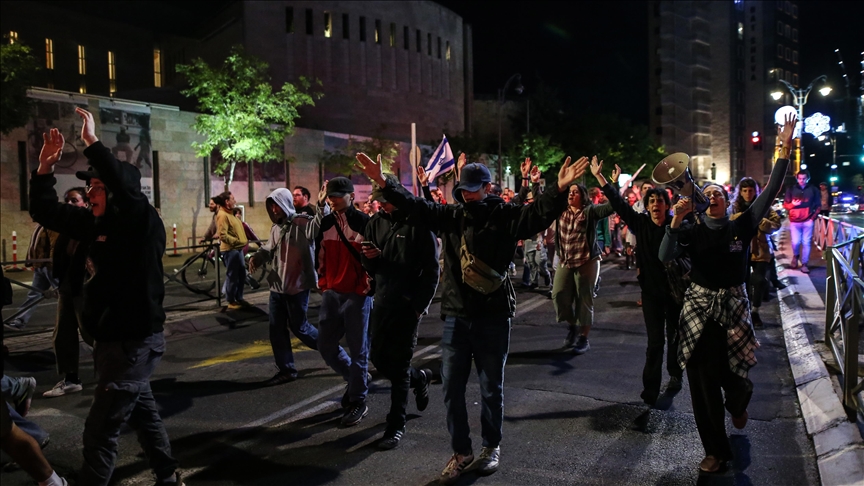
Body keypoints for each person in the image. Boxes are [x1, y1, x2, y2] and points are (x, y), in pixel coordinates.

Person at [356, 152, 588, 484]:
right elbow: (416, 206)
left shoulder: (506, 215)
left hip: (493, 317)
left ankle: (491, 446)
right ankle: (461, 452)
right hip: (456, 316)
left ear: (488, 187)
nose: (467, 194)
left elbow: (537, 215)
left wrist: (558, 188)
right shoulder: (451, 216)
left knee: (491, 388)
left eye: (474, 189)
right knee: (451, 388)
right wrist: (384, 182)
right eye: (463, 189)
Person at [29, 108, 183, 485]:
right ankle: (168, 474)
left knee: (100, 431)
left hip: (133, 341)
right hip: (111, 340)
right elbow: (44, 211)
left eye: (98, 187)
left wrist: (92, 142)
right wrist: (45, 167)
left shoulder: (140, 222)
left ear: (116, 192)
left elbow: (125, 188)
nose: (91, 192)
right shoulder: (94, 222)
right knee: (144, 413)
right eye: (91, 188)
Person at [659, 114, 796, 473]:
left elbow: (772, 190)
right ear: (704, 202)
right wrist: (675, 221)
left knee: (735, 376)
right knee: (702, 385)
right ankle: (715, 452)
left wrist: (785, 146)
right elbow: (664, 256)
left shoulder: (742, 225)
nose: (715, 194)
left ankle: (737, 404)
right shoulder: (690, 229)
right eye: (710, 192)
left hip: (732, 309)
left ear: (726, 199)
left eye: (720, 191)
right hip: (699, 312)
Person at [592, 159, 684, 406]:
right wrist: (603, 180)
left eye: (660, 201)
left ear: (667, 206)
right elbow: (619, 205)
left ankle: (675, 373)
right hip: (652, 295)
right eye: (651, 201)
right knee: (655, 342)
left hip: (676, 295)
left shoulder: (676, 227)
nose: (655, 204)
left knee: (675, 337)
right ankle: (650, 390)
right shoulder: (640, 224)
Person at [361, 173, 439, 450]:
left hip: (407, 307)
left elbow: (432, 271)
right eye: (378, 201)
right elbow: (371, 265)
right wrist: (370, 260)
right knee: (379, 358)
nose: (382, 205)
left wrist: (419, 306)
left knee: (400, 363)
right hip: (382, 302)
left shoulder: (419, 223)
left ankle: (396, 425)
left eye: (386, 200)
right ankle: (420, 377)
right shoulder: (376, 223)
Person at [250, 188, 338, 385]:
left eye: (276, 204)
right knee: (276, 330)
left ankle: (335, 352)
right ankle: (286, 369)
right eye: (271, 205)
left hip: (296, 288)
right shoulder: (275, 228)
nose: (273, 209)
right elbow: (268, 248)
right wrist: (258, 257)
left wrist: (322, 204)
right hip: (277, 289)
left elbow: (318, 225)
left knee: (301, 328)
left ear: (285, 203)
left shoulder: (301, 222)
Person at [315, 176, 373, 427]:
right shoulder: (326, 222)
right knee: (325, 345)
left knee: (358, 349)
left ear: (351, 196)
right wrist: (324, 284)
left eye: (338, 194)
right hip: (332, 294)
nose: (333, 199)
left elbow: (371, 259)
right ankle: (355, 379)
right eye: (330, 195)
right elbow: (320, 255)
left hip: (356, 295)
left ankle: (358, 399)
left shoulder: (363, 222)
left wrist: (363, 288)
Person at [553, 176, 614, 354]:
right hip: (565, 260)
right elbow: (541, 204)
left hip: (587, 261)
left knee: (584, 300)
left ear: (583, 195)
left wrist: (610, 185)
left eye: (575, 192)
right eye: (569, 192)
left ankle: (583, 338)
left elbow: (612, 207)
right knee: (558, 295)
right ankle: (573, 325)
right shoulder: (560, 210)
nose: (571, 195)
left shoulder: (590, 211)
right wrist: (531, 181)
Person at [43, 187, 95, 398]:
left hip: (85, 282)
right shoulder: (65, 226)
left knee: (91, 331)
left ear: (85, 203)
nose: (70, 204)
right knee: (63, 332)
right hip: (67, 283)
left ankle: (117, 372)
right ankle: (71, 378)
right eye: (67, 201)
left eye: (75, 200)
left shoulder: (92, 222)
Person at [730, 178, 781, 328]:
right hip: (741, 249)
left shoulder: (764, 205)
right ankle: (744, 311)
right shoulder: (734, 207)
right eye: (744, 191)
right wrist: (741, 219)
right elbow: (728, 222)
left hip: (761, 249)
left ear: (755, 191)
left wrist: (762, 222)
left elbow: (776, 224)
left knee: (759, 280)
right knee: (742, 283)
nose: (747, 194)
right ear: (740, 192)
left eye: (750, 190)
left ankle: (755, 312)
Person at [3, 222, 60, 331]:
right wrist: (31, 261)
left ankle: (78, 320)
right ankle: (20, 321)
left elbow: (54, 246)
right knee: (34, 294)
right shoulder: (40, 225)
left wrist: (51, 265)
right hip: (40, 266)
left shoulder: (52, 226)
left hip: (48, 266)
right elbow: (34, 245)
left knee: (64, 295)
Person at [215, 191, 249, 309]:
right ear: (227, 202)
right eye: (233, 199)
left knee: (241, 274)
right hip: (231, 250)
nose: (235, 201)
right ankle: (231, 301)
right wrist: (237, 241)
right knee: (232, 275)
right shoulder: (223, 215)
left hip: (237, 249)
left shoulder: (230, 214)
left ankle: (239, 297)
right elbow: (223, 235)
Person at [783, 169, 820, 273]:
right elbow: (786, 205)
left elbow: (818, 206)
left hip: (808, 220)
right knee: (795, 242)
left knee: (806, 242)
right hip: (795, 221)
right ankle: (795, 256)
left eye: (804, 178)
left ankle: (804, 264)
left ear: (808, 178)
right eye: (800, 178)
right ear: (797, 178)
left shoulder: (813, 190)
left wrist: (812, 218)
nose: (802, 180)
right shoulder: (791, 189)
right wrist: (793, 204)